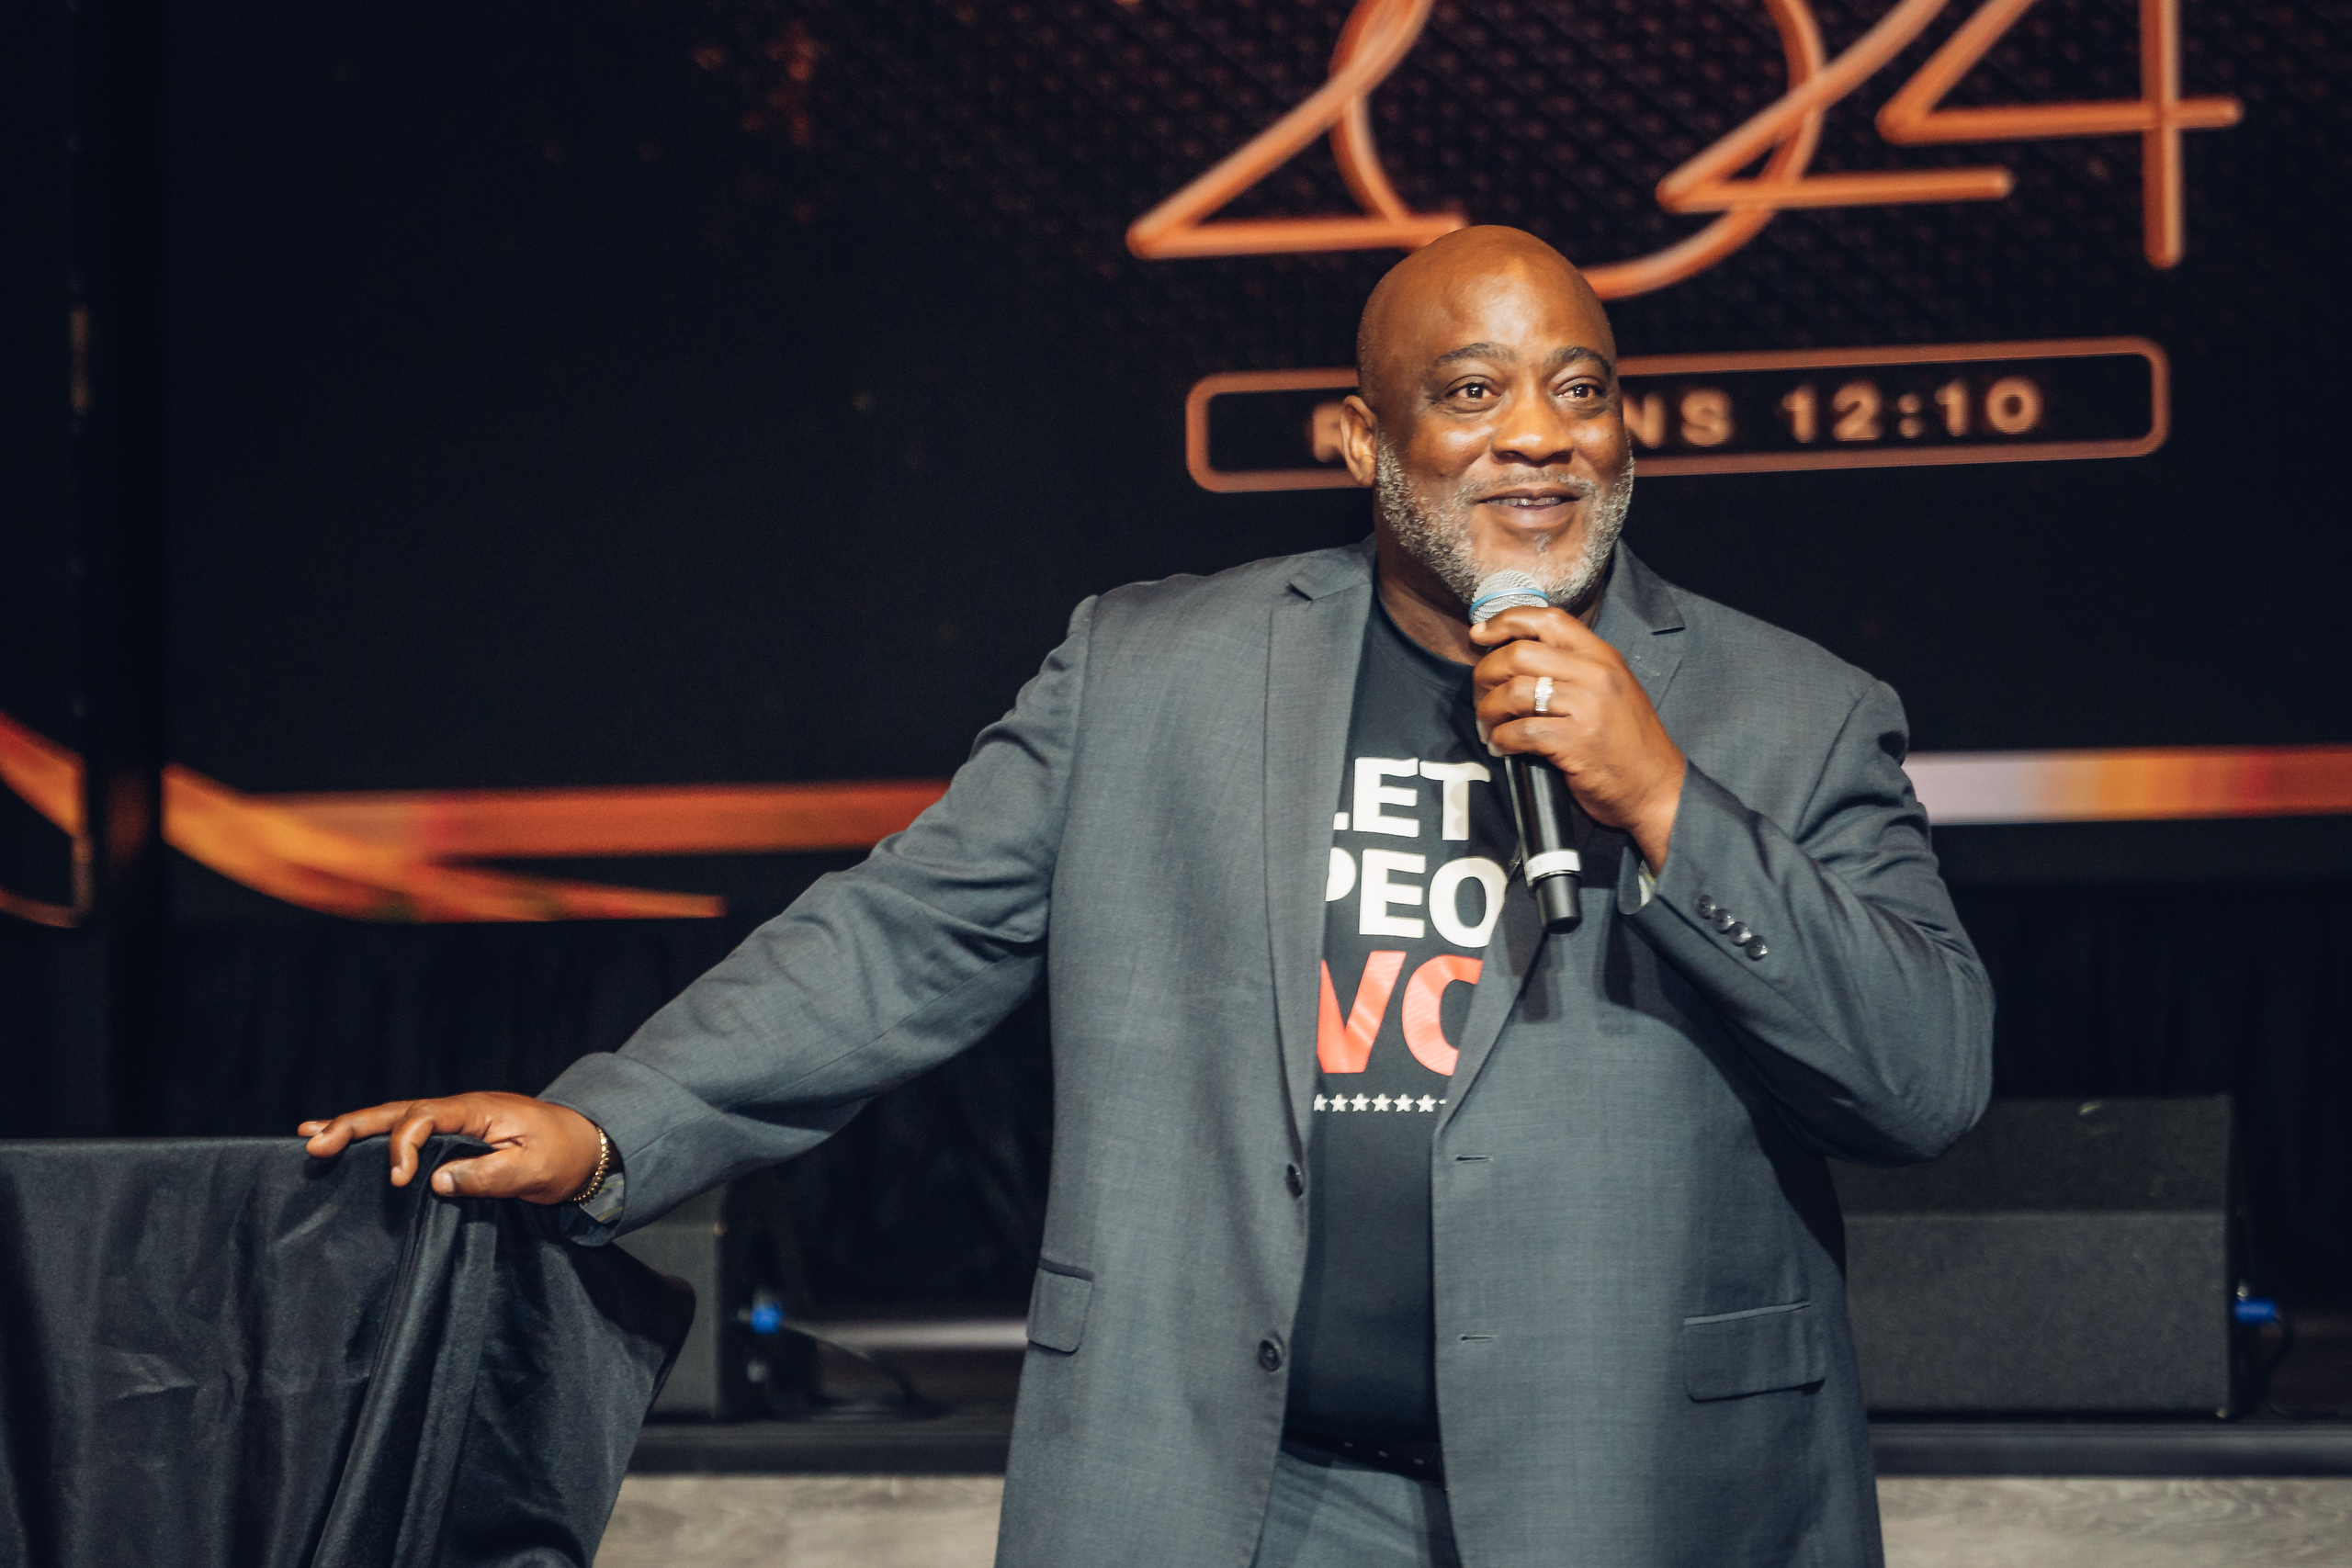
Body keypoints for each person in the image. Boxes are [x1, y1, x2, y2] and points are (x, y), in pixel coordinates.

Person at [303, 225, 1992, 1567]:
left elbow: (1925, 1079)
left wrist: (1672, 803)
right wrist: (608, 1129)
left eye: (1582, 387)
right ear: (1365, 437)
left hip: (1631, 1490)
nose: (1539, 434)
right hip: (1237, 1491)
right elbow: (902, 935)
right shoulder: (1151, 670)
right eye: (1473, 392)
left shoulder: (1793, 709)